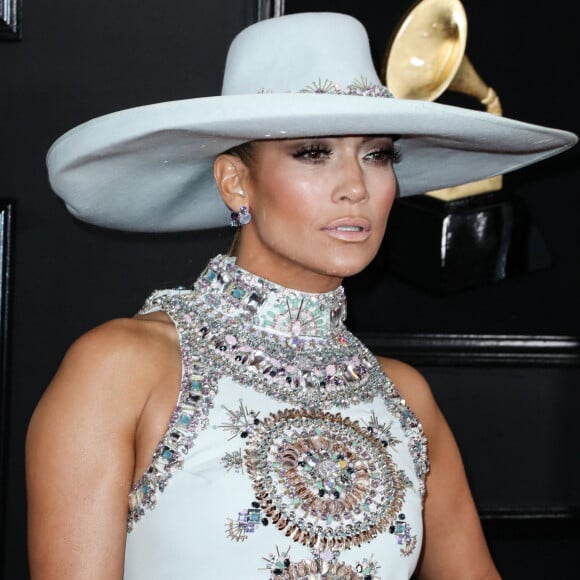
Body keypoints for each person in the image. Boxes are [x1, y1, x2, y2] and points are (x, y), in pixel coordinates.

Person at [25, 11, 576, 580]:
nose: (356, 187)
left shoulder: (406, 398)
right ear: (236, 182)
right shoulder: (121, 366)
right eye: (314, 152)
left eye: (377, 154)